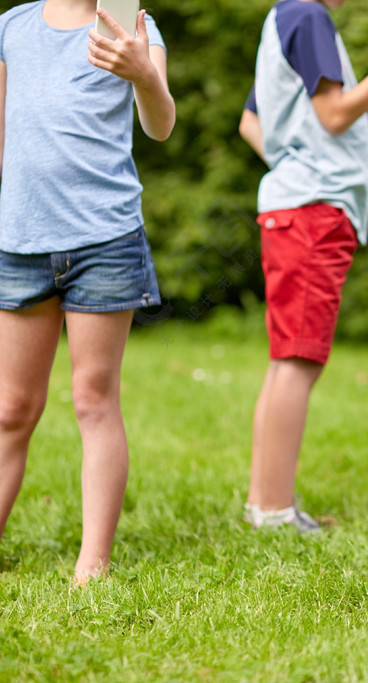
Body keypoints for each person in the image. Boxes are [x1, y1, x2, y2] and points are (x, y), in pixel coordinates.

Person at [238, 0, 368, 532]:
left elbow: (249, 122)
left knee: (288, 361)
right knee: (299, 361)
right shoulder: (309, 15)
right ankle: (276, 512)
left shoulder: (283, 16)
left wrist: (289, 164)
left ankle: (265, 504)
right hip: (313, 211)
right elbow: (335, 114)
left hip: (293, 206)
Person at [0, 0, 175, 585]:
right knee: (10, 409)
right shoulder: (11, 27)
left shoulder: (132, 23)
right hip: (20, 241)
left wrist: (143, 73)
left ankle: (92, 562)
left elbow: (160, 124)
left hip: (104, 239)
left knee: (93, 399)